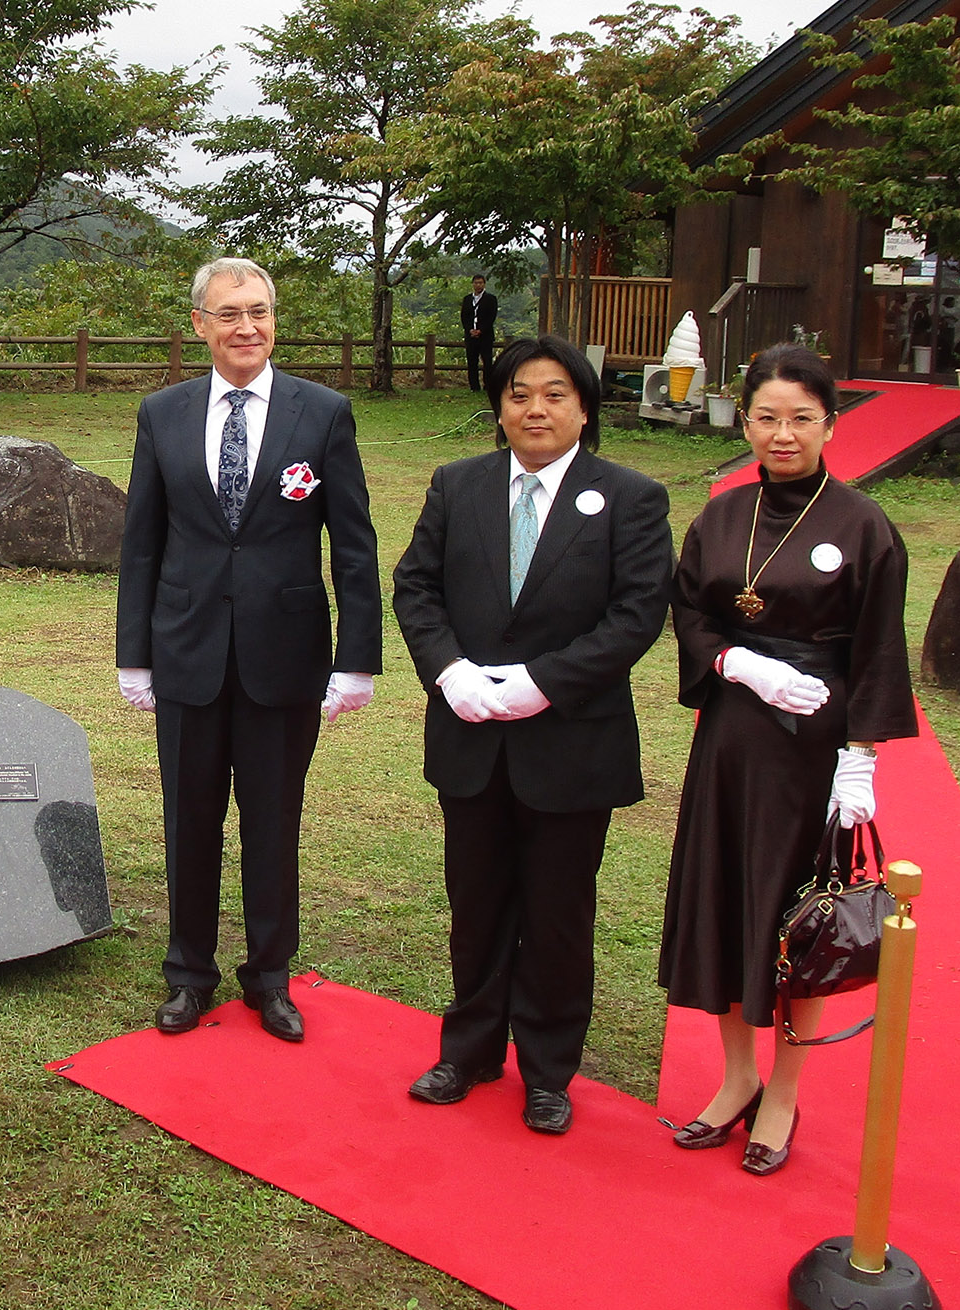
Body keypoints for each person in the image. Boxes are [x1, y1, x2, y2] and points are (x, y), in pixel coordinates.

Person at [393, 336, 673, 1133]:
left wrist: (541, 682)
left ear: (585, 407)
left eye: (555, 393)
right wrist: (451, 673)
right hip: (472, 738)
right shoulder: (459, 485)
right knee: (475, 904)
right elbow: (415, 587)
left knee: (557, 913)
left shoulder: (629, 496)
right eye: (519, 393)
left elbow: (636, 615)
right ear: (500, 405)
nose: (536, 408)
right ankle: (470, 1049)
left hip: (572, 743)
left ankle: (549, 1068)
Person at [658, 343, 915, 1176]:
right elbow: (690, 610)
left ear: (830, 424)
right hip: (733, 737)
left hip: (814, 745)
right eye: (766, 416)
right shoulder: (722, 515)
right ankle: (736, 1076)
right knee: (728, 899)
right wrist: (735, 662)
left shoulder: (864, 524)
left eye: (801, 418)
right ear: (747, 420)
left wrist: (860, 759)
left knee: (793, 919)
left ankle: (784, 1089)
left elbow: (878, 649)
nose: (782, 433)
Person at [115, 256, 383, 1043]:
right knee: (188, 819)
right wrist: (135, 654)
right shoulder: (162, 413)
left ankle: (270, 976)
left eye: (260, 311)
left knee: (273, 822)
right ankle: (188, 974)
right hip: (187, 649)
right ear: (199, 324)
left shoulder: (322, 412)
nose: (247, 327)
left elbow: (355, 547)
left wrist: (356, 657)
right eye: (229, 313)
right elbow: (142, 545)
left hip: (286, 656)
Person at [461, 274, 498, 392]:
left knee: (487, 362)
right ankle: (474, 387)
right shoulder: (467, 299)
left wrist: (481, 330)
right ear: (473, 284)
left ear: (484, 284)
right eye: (476, 283)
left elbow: (491, 317)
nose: (478, 285)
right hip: (470, 336)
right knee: (472, 362)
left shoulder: (491, 299)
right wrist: (469, 330)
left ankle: (488, 385)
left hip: (485, 336)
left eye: (480, 283)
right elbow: (464, 317)